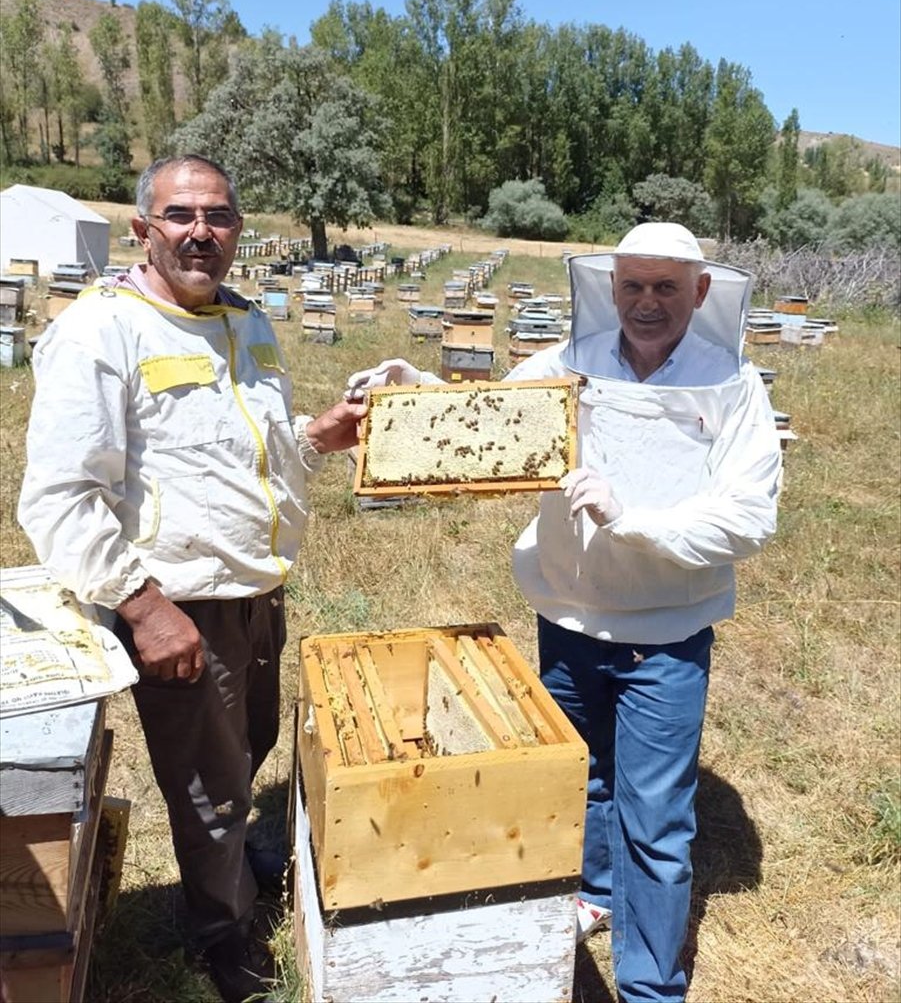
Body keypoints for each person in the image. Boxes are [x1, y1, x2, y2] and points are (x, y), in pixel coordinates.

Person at [345, 222, 782, 1003]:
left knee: (656, 821)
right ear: (609, 286)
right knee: (583, 779)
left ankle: (649, 987)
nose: (646, 303)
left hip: (663, 635)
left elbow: (748, 518)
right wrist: (411, 386)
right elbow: (489, 420)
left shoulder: (732, 384)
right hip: (567, 617)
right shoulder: (569, 360)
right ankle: (596, 892)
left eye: (666, 288)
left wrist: (632, 517)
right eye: (632, 286)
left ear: (700, 291)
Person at [18, 154, 366, 1003]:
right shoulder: (103, 330)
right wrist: (143, 607)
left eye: (218, 216)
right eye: (180, 215)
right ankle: (222, 934)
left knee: (248, 750)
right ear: (144, 229)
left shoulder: (246, 322)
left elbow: (247, 445)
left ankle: (234, 867)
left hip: (256, 588)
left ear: (238, 230)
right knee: (207, 783)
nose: (201, 231)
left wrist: (315, 438)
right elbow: (60, 496)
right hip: (181, 604)